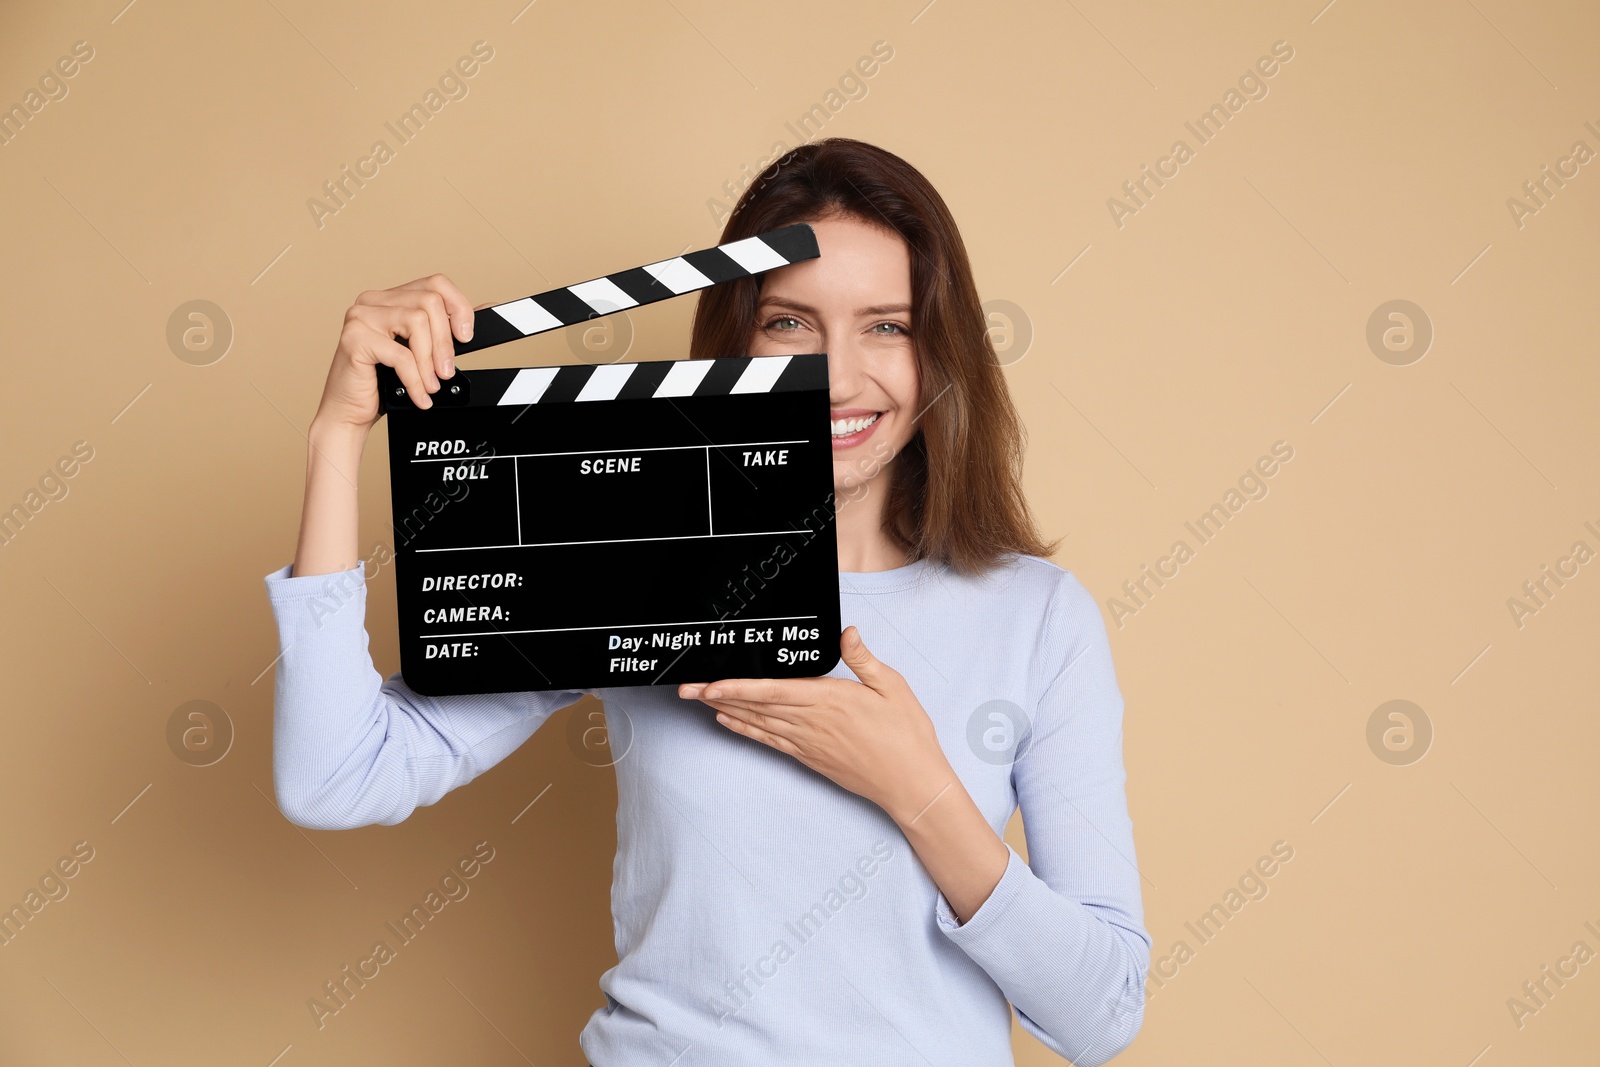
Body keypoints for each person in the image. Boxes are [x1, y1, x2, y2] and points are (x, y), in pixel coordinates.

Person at [265, 137, 1149, 1066]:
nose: (839, 378)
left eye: (886, 325)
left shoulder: (1038, 616)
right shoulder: (643, 562)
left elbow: (1102, 1013)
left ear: (941, 350)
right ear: (738, 337)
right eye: (790, 323)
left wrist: (915, 784)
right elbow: (335, 775)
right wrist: (337, 437)